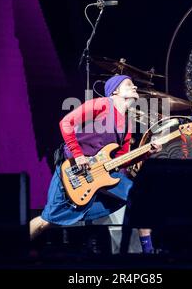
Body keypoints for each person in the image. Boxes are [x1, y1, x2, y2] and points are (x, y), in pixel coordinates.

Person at [30, 75, 160, 254]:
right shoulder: (101, 104)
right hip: (74, 170)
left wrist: (146, 153)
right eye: (129, 84)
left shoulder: (127, 124)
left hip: (101, 174)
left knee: (139, 198)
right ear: (115, 90)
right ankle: (13, 250)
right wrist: (78, 154)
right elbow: (66, 123)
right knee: (48, 220)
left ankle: (149, 252)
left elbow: (121, 161)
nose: (135, 87)